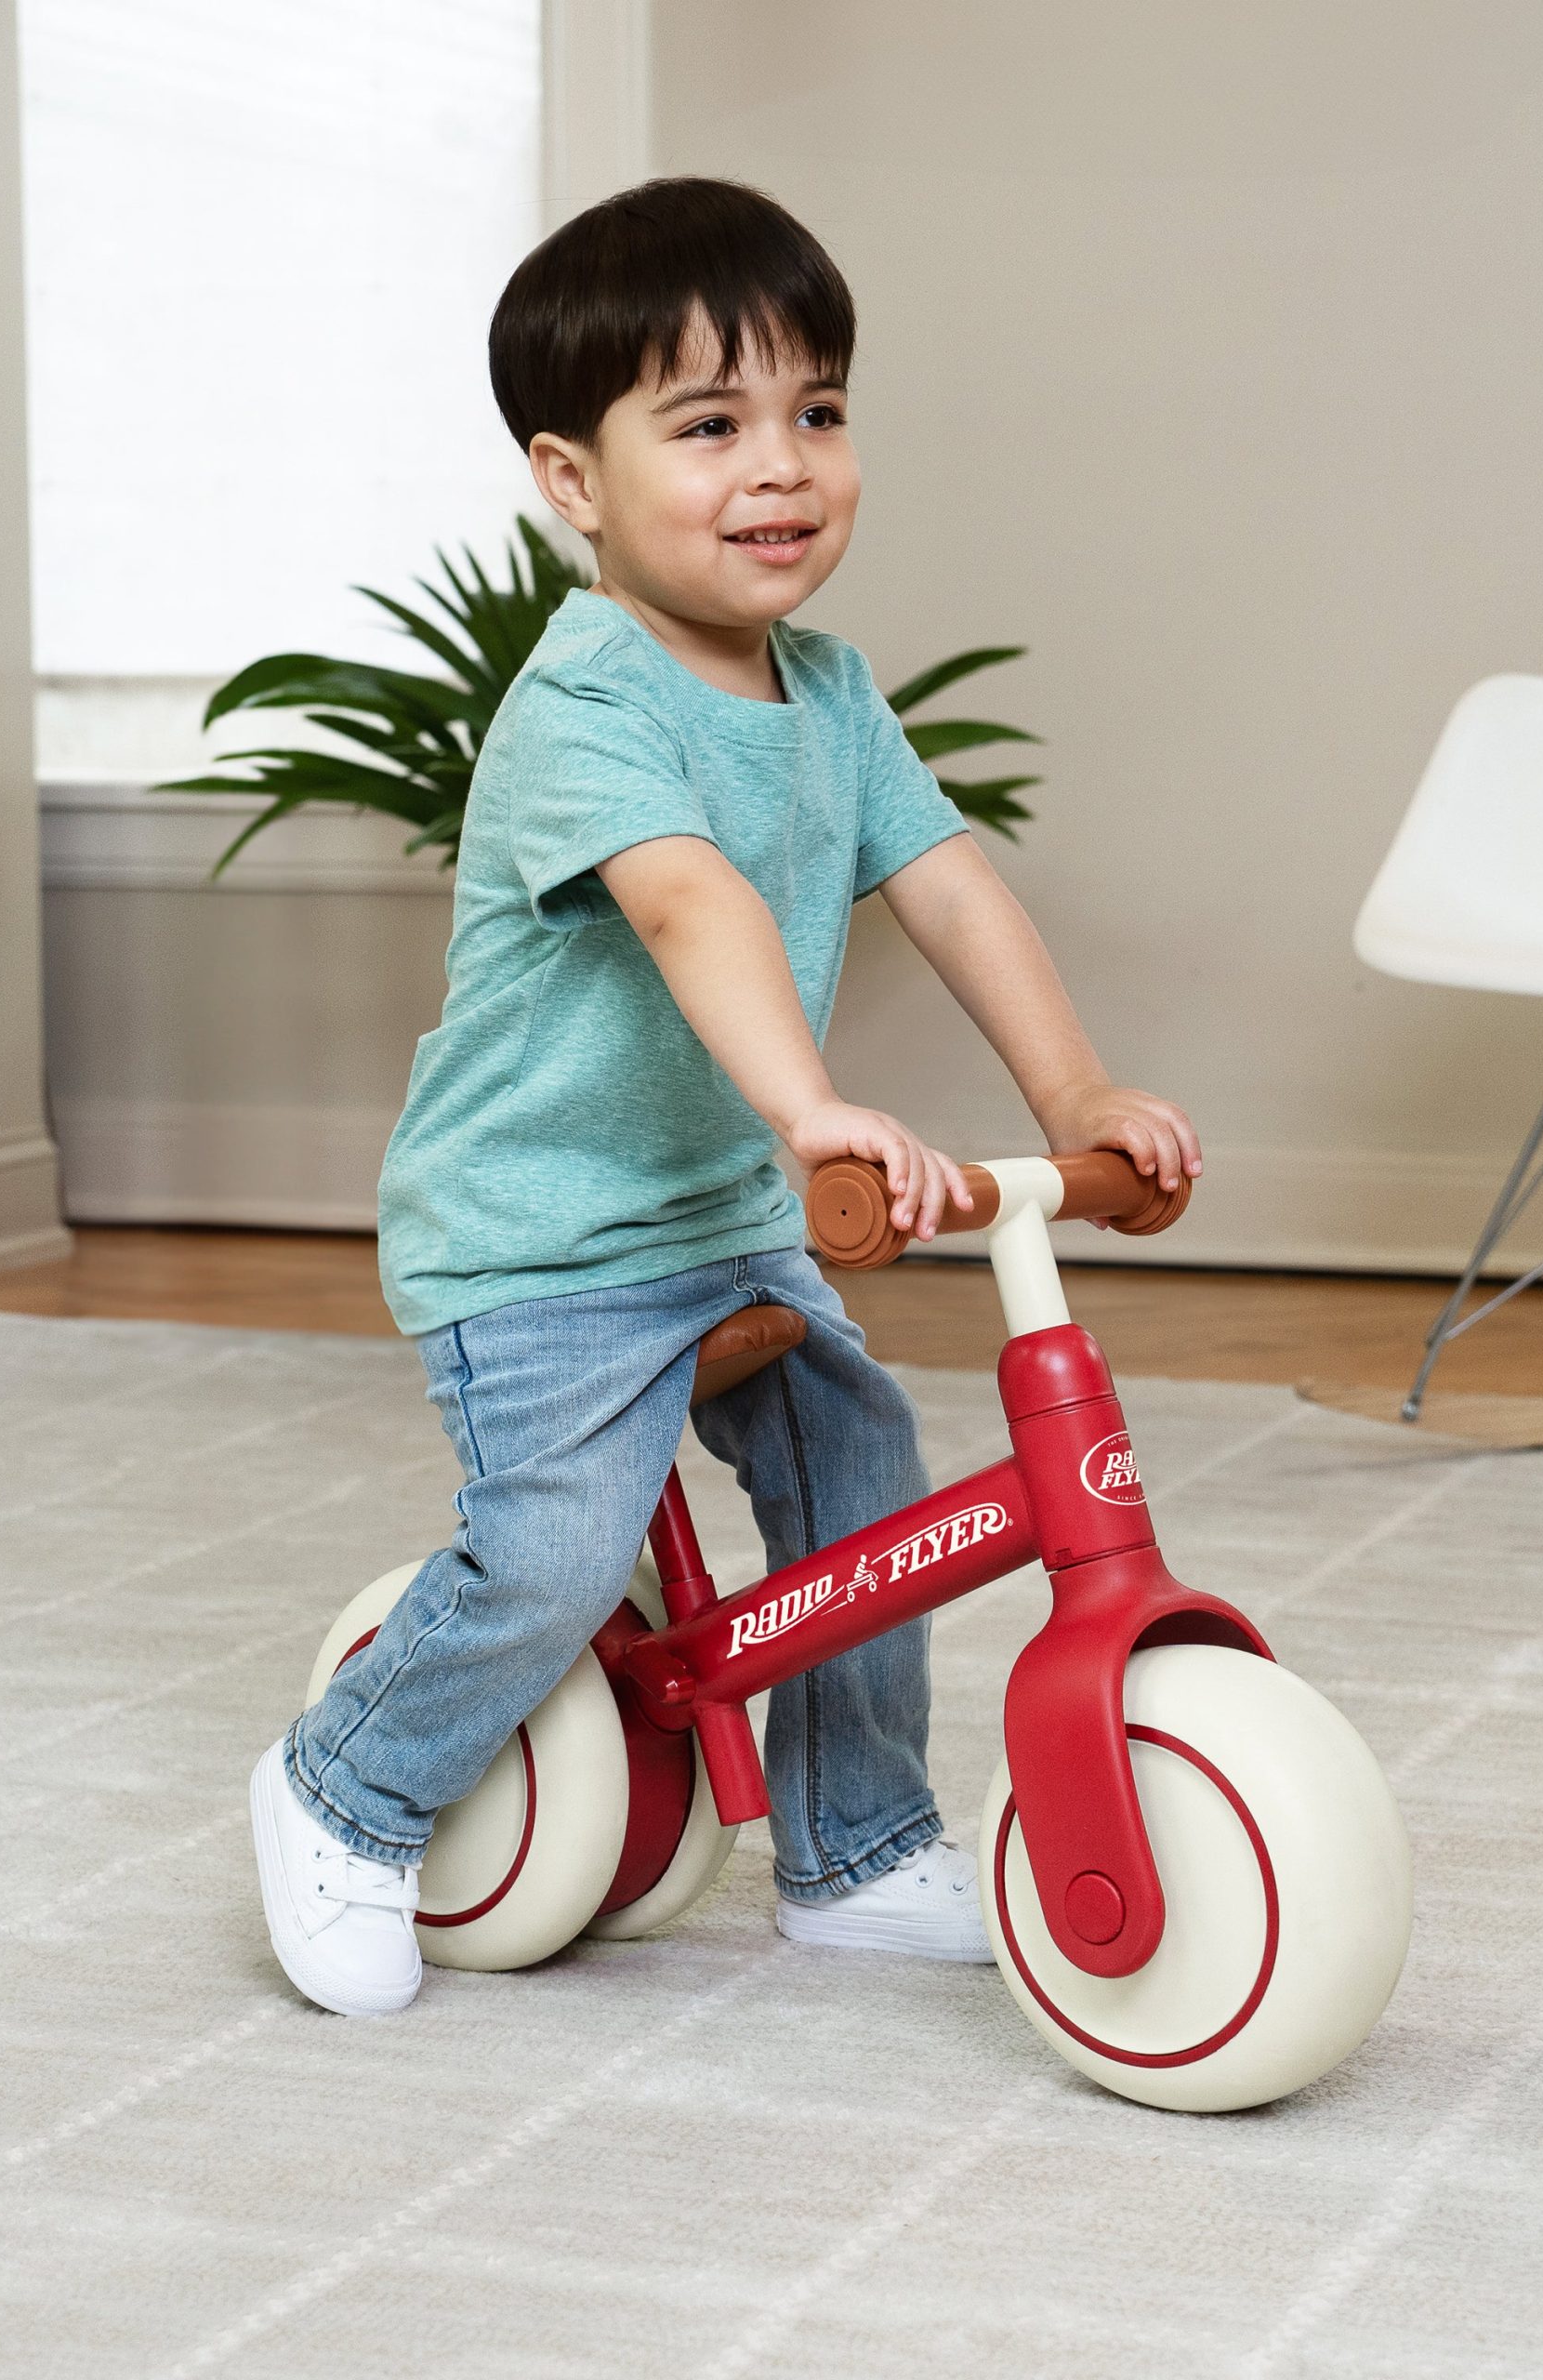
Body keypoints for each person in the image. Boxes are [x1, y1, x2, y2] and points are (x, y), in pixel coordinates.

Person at [248, 177, 1201, 2016]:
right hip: (539, 1236)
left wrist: (1074, 1086)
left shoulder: (832, 696)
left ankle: (855, 1845)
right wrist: (811, 1109)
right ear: (573, 480)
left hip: (724, 1222)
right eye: (707, 426)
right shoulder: (585, 704)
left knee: (864, 1487)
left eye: (815, 411)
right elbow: (690, 900)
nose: (780, 464)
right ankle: (343, 1789)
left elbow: (951, 888)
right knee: (552, 1551)